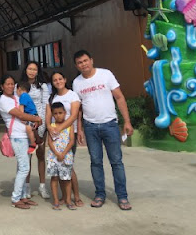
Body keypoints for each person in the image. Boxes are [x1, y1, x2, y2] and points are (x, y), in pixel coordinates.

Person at [72, 50, 133, 211]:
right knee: (96, 162)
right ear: (76, 66)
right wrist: (80, 129)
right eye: (79, 63)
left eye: (85, 60)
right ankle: (100, 194)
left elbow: (119, 97)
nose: (83, 64)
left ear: (91, 60)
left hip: (110, 124)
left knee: (116, 162)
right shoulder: (77, 82)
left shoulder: (106, 75)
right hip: (90, 127)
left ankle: (122, 196)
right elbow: (78, 109)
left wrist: (127, 121)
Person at [0, 74, 42, 209]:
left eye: (12, 84)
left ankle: (22, 196)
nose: (11, 86)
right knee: (24, 168)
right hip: (17, 136)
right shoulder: (3, 100)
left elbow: (27, 108)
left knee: (22, 167)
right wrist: (36, 119)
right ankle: (16, 198)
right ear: (2, 86)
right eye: (8, 84)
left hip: (25, 134)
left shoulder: (16, 97)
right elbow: (20, 115)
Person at [45, 71, 83, 207]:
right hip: (55, 136)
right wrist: (50, 128)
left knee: (69, 167)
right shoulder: (52, 98)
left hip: (68, 134)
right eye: (55, 80)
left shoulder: (72, 95)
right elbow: (48, 116)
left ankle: (76, 197)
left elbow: (73, 116)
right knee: (58, 169)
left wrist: (59, 129)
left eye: (60, 79)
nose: (58, 81)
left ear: (65, 79)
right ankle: (64, 197)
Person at [19, 61, 51, 199]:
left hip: (40, 122)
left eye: (34, 69)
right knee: (27, 155)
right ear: (25, 70)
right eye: (29, 68)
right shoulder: (19, 86)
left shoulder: (43, 86)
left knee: (40, 154)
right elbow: (19, 105)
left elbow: (46, 105)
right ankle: (26, 186)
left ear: (38, 71)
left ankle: (42, 186)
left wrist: (43, 124)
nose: (32, 71)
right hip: (26, 124)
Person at [46, 102, 76, 210]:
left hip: (66, 156)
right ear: (53, 115)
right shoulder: (51, 127)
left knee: (67, 179)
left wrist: (63, 154)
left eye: (60, 113)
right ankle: (56, 201)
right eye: (55, 113)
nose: (58, 115)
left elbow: (72, 141)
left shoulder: (69, 126)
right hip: (53, 157)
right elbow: (49, 142)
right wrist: (57, 153)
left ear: (65, 113)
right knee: (54, 178)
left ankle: (68, 199)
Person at [15, 81, 39, 154]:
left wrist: (21, 117)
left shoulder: (23, 96)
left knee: (28, 128)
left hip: (31, 115)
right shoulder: (26, 95)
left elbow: (21, 108)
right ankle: (38, 140)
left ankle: (32, 144)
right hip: (33, 114)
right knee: (32, 129)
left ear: (19, 89)